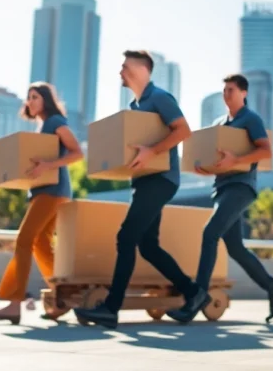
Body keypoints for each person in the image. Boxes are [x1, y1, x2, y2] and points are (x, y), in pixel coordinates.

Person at [74, 50, 206, 329]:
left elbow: (183, 130)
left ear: (142, 69)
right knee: (147, 246)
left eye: (125, 66)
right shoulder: (135, 107)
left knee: (125, 237)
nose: (120, 71)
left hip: (161, 179)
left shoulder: (159, 97)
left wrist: (151, 152)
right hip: (144, 181)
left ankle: (111, 308)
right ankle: (194, 292)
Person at [165, 73, 273, 324]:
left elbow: (265, 150)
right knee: (235, 248)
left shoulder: (250, 119)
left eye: (230, 90)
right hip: (222, 188)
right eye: (224, 90)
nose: (226, 95)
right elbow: (218, 160)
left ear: (244, 93)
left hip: (241, 187)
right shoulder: (220, 123)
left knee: (209, 233)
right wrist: (206, 168)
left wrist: (237, 161)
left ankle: (199, 296)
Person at [0, 82, 83, 324]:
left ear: (46, 99)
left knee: (24, 240)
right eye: (28, 97)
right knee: (40, 244)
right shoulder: (43, 127)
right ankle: (63, 296)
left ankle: (14, 304)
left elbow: (77, 152)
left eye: (35, 96)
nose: (30, 101)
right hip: (46, 191)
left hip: (52, 190)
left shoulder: (55, 122)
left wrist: (48, 165)